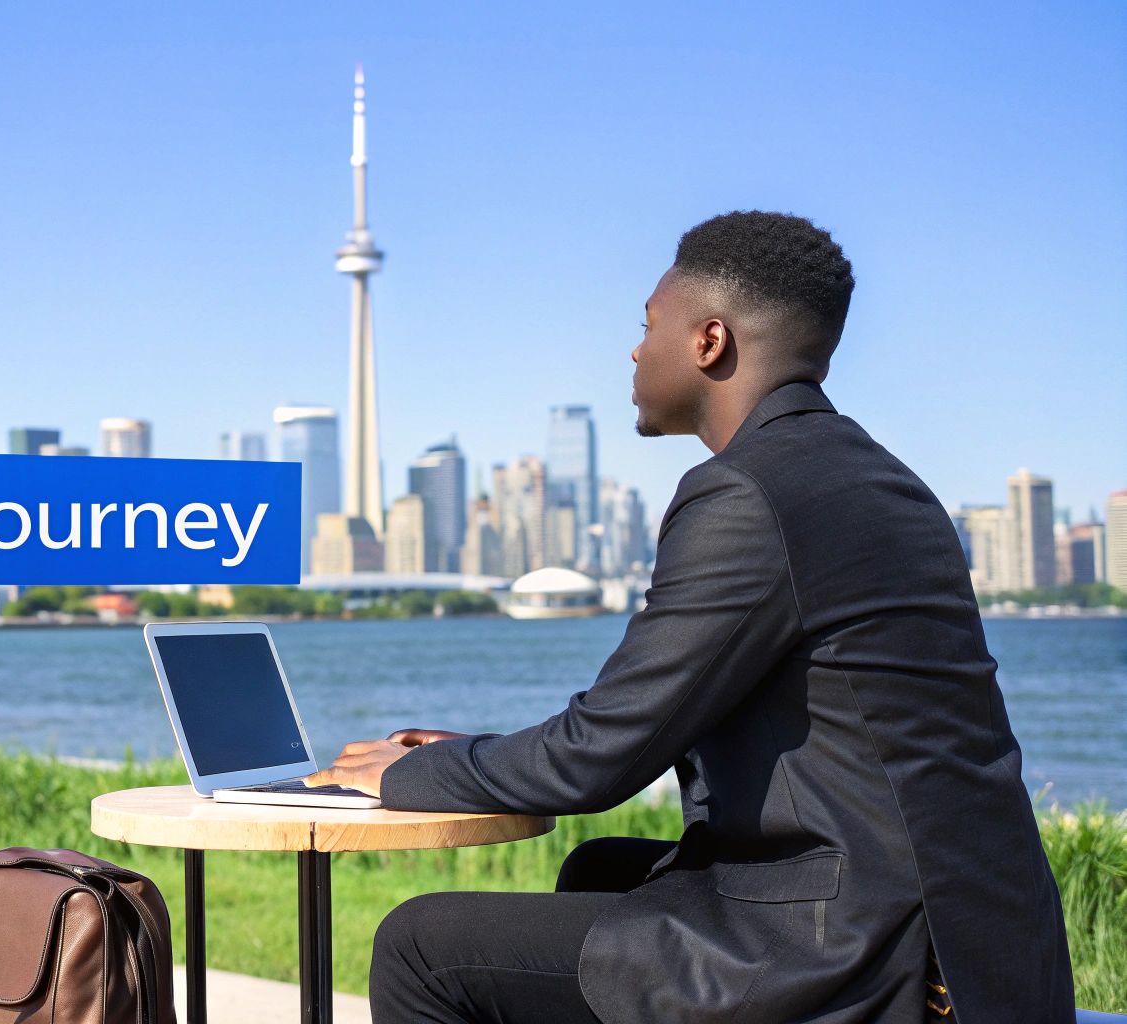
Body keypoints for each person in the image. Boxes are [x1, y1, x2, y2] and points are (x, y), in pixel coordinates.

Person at [304, 211, 1075, 1024]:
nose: (636, 350)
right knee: (601, 870)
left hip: (882, 960)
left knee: (423, 946)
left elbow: (598, 759)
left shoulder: (748, 493)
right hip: (980, 937)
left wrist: (397, 775)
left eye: (647, 326)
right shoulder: (880, 480)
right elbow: (641, 718)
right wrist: (474, 753)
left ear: (709, 342)